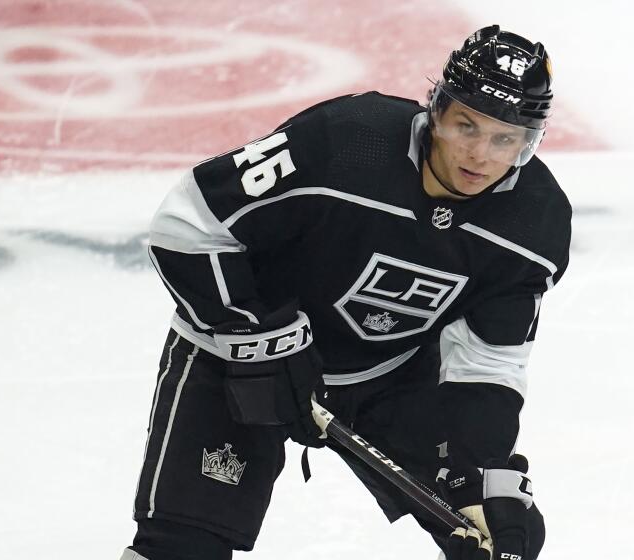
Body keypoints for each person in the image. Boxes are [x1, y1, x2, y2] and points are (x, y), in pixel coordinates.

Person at [121, 24, 570, 560]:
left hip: (391, 375)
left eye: (505, 138)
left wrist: (485, 467)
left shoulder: (534, 225)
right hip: (237, 353)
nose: (479, 155)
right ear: (437, 111)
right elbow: (189, 224)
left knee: (495, 529)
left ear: (530, 142)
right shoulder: (344, 140)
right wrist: (263, 340)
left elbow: (489, 363)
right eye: (465, 126)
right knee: (177, 548)